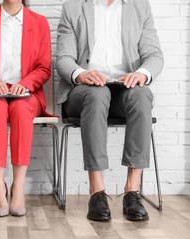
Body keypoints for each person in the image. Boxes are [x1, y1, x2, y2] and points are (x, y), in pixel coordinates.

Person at [56, 0, 163, 221]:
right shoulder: (73, 7)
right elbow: (64, 59)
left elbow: (154, 55)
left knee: (142, 95)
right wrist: (80, 74)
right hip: (84, 90)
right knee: (97, 94)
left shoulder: (139, 7)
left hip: (124, 89)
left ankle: (132, 192)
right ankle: (97, 192)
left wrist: (141, 74)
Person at [0, 0, 54, 217]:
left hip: (27, 94)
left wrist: (25, 84)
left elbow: (44, 67)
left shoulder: (40, 22)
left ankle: (18, 187)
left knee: (21, 109)